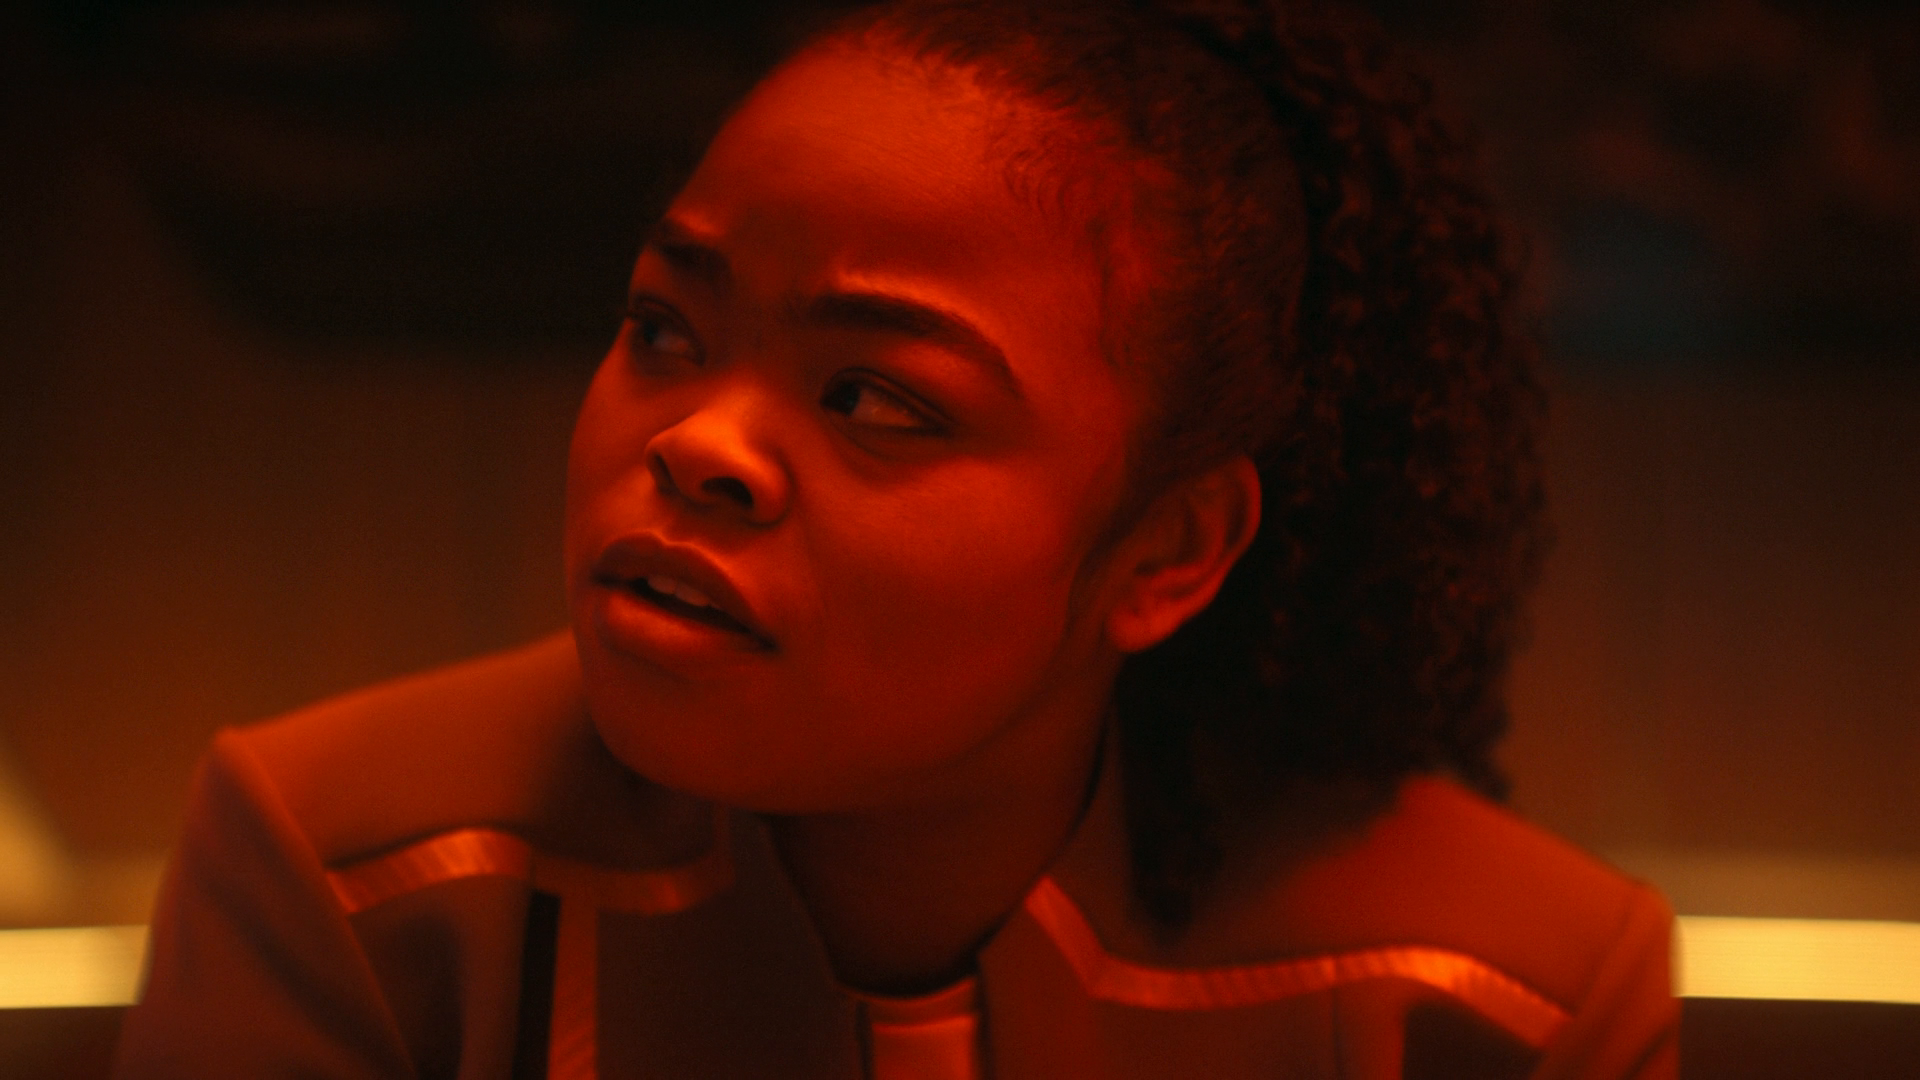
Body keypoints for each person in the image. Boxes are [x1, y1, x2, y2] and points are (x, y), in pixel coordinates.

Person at [113, 1, 1678, 1077]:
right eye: (664, 329)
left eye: (875, 398)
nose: (699, 443)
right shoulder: (348, 873)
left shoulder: (1501, 1000)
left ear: (1171, 552)